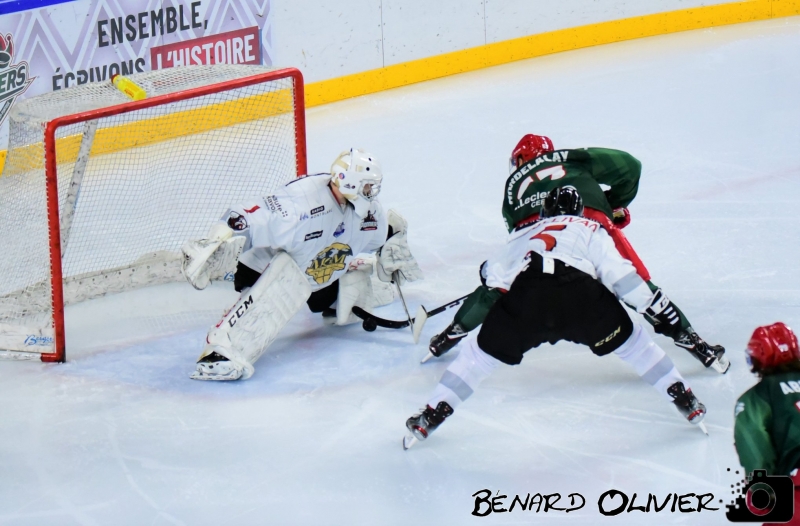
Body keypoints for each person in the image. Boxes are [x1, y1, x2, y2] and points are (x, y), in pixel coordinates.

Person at [403, 186, 706, 448]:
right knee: (636, 346)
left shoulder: (525, 232)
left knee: (478, 358)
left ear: (546, 212)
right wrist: (651, 303)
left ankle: (433, 413)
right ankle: (682, 397)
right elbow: (622, 277)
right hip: (581, 296)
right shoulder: (591, 229)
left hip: (528, 296)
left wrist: (490, 270)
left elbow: (492, 276)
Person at [427, 134, 728, 374]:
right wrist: (610, 204)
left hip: (532, 237)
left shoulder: (512, 184)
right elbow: (630, 166)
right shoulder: (569, 159)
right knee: (629, 283)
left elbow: (517, 234)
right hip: (588, 220)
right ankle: (694, 342)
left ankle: (448, 336)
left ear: (519, 159)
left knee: (497, 285)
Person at [180, 148, 422, 381]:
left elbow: (379, 235)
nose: (372, 192)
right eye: (367, 185)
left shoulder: (367, 209)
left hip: (314, 273)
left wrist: (391, 242)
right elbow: (247, 217)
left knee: (350, 286)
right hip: (264, 271)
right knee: (285, 276)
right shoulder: (300, 204)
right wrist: (216, 240)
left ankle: (332, 299)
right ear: (350, 184)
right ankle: (220, 348)